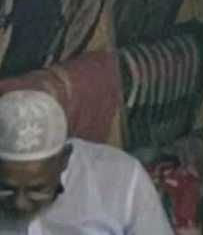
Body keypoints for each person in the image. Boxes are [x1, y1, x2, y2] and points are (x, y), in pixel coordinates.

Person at [0, 92, 170, 234]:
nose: (20, 204)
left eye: (37, 190)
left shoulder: (122, 178)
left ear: (65, 159)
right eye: (6, 189)